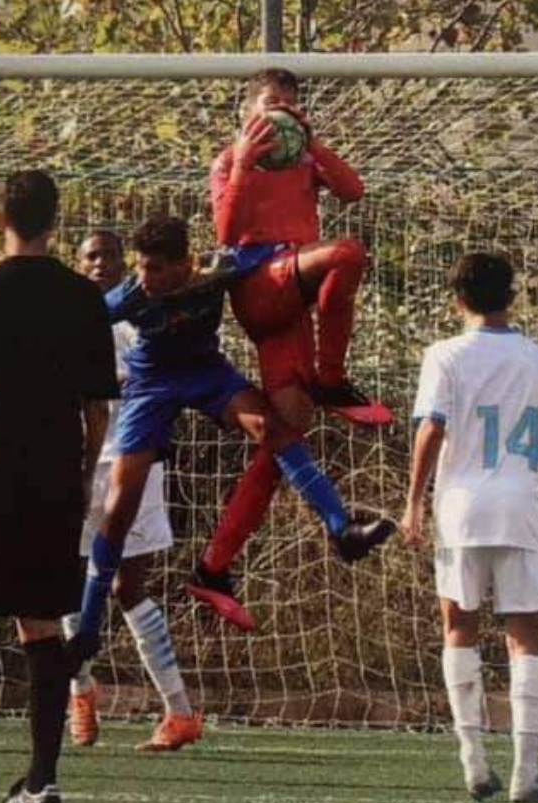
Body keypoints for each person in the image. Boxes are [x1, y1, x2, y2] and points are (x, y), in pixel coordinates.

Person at [68, 215, 394, 663]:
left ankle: (342, 528)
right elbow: (78, 318)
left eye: (157, 268)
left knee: (272, 428)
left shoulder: (219, 267)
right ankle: (87, 628)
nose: (145, 278)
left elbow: (280, 258)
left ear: (186, 262)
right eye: (141, 267)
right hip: (150, 384)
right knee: (121, 504)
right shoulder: (131, 295)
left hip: (207, 373)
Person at [0, 171, 118, 803]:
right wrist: (87, 473)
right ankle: (42, 781)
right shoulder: (83, 298)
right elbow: (100, 408)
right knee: (41, 624)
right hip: (53, 477)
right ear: (55, 221)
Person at [400, 252, 538, 803]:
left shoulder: (444, 355)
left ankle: (472, 760)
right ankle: (526, 772)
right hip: (520, 508)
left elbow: (432, 430)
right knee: (526, 634)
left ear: (457, 300)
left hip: (461, 508)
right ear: (511, 297)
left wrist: (413, 503)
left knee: (458, 625)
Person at [199, 67, 392, 624]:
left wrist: (316, 146)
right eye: (269, 101)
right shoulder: (227, 160)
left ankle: (213, 569)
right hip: (262, 286)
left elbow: (353, 191)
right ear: (248, 113)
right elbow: (226, 233)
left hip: (292, 310)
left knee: (282, 439)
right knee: (347, 254)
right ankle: (333, 378)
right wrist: (241, 160)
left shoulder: (306, 159)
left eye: (289, 102)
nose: (280, 108)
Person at [63, 230, 200, 753]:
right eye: (90, 256)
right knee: (68, 580)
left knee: (127, 587)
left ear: (126, 265)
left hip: (135, 463)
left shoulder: (143, 324)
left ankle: (180, 710)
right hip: (79, 467)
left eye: (109, 256)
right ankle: (81, 691)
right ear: (79, 266)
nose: (100, 263)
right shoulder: (71, 328)